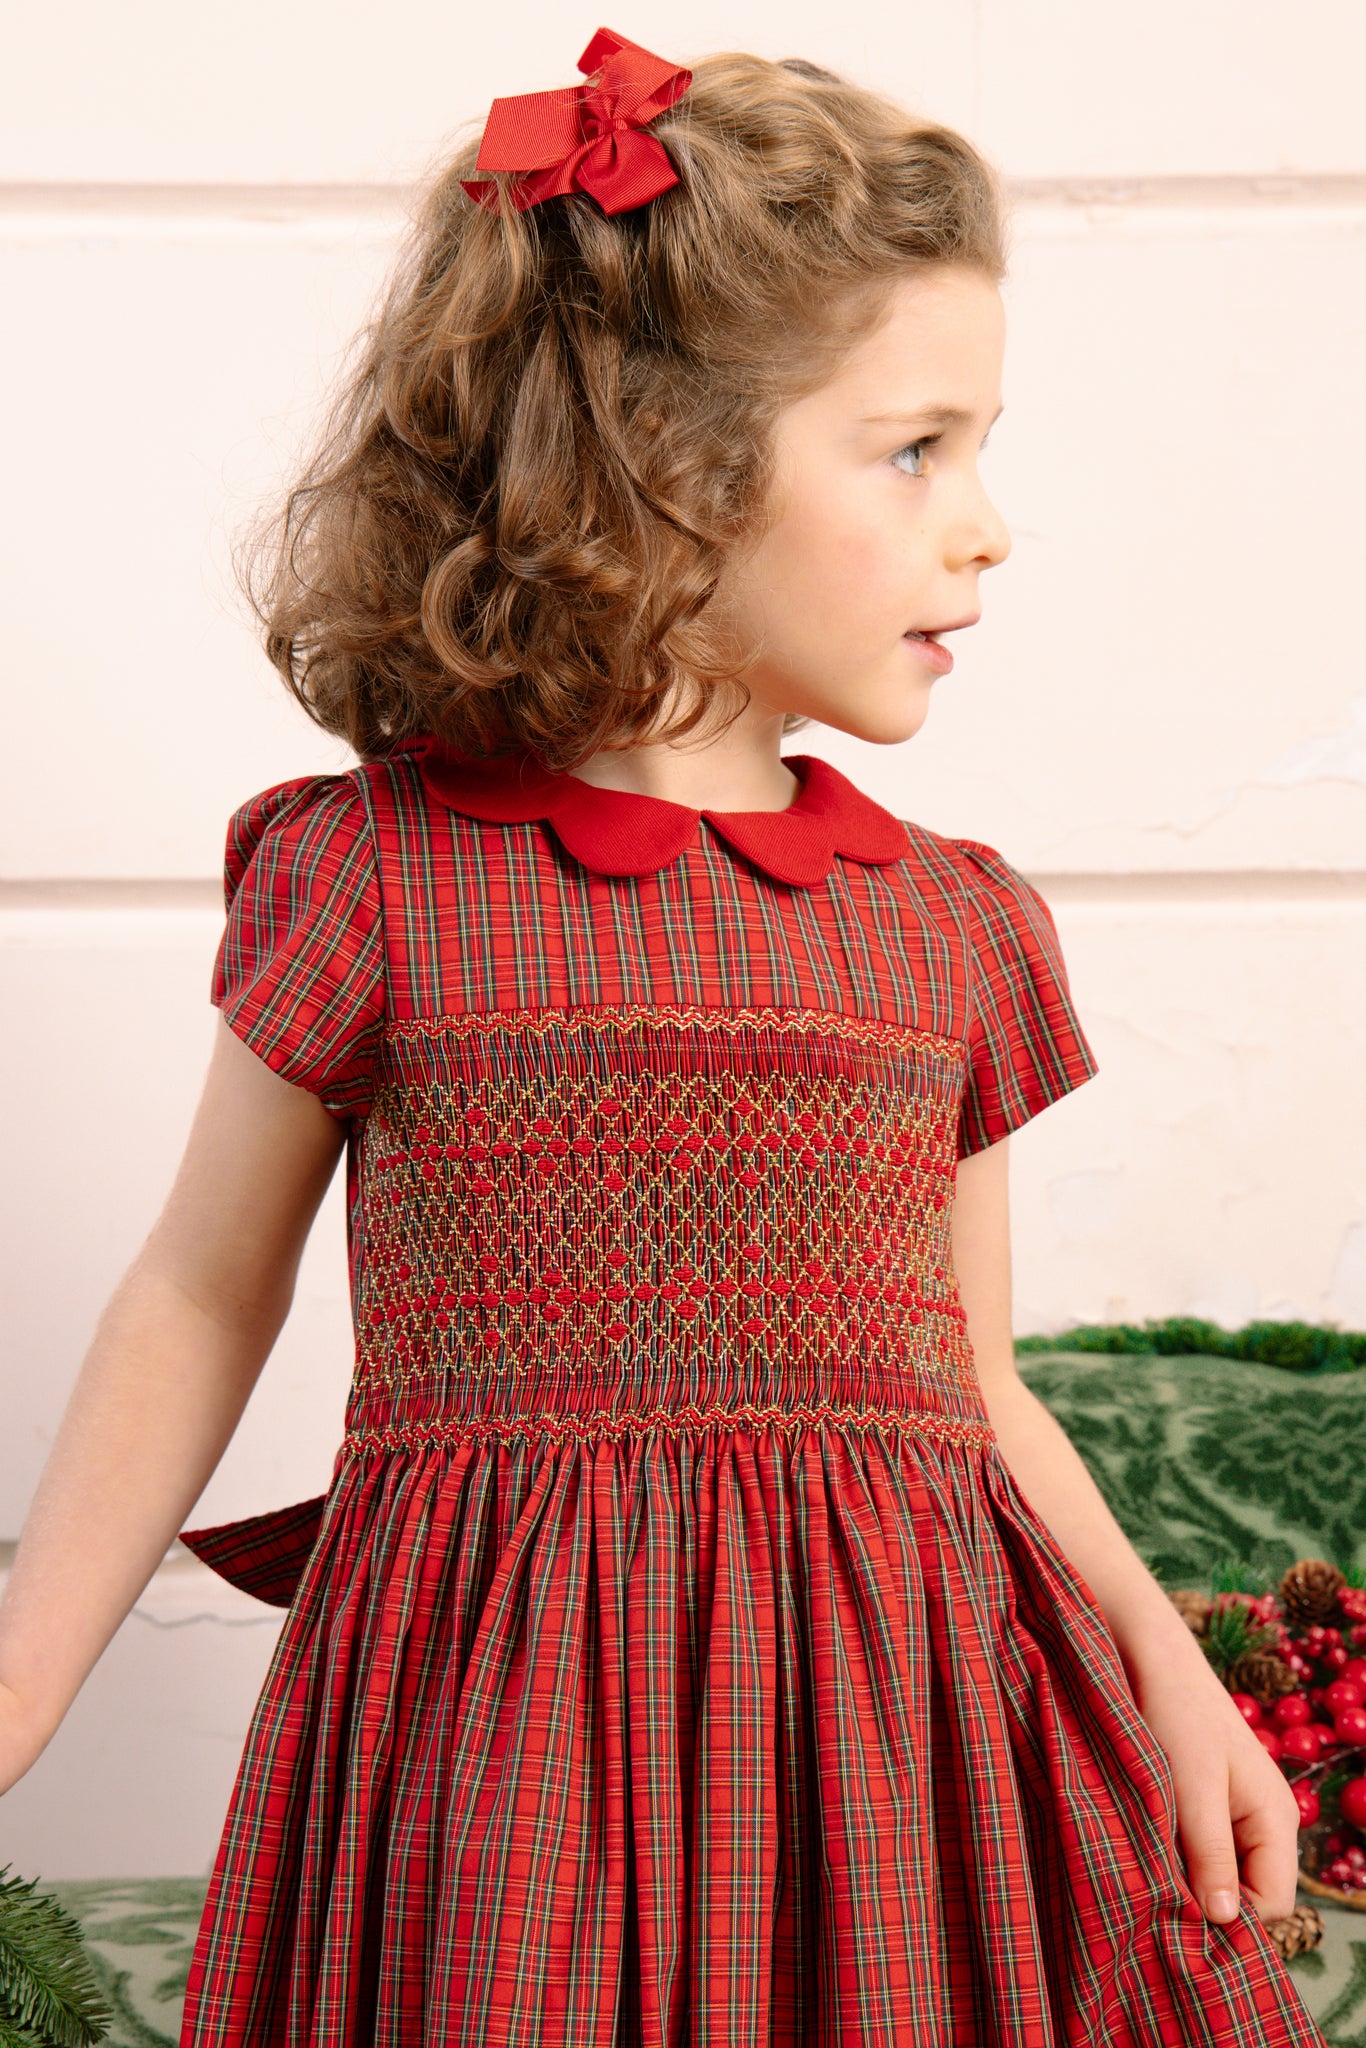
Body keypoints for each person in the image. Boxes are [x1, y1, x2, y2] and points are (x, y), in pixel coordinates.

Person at [0, 26, 1328, 2047]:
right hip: (504, 1758)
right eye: (913, 447)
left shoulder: (947, 925)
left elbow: (966, 1373)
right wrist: (21, 1680)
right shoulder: (374, 881)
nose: (983, 526)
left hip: (902, 1751)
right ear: (666, 464)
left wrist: (1167, 1669)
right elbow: (200, 1286)